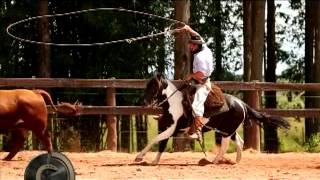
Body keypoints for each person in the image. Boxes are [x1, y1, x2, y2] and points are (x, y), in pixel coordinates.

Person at [179, 25, 214, 139]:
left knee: (196, 105)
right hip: (196, 81)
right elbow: (197, 35)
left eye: (191, 45)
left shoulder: (200, 57)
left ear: (196, 45)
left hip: (202, 84)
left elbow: (202, 74)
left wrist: (191, 76)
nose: (189, 46)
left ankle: (197, 130)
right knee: (180, 93)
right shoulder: (203, 46)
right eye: (190, 44)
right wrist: (188, 29)